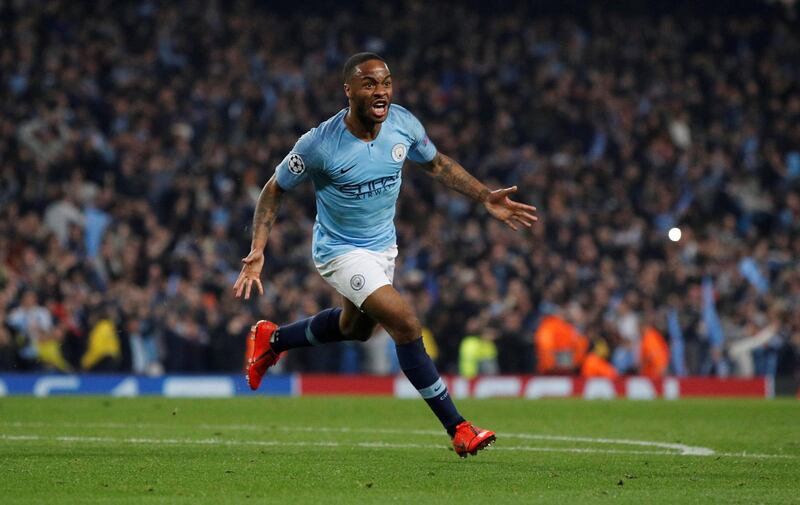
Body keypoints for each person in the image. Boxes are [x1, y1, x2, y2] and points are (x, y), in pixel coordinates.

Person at [232, 52, 537, 458]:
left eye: (386, 82)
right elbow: (274, 189)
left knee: (356, 328)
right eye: (370, 84)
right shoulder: (319, 143)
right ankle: (459, 427)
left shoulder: (403, 124)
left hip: (382, 248)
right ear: (349, 91)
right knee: (407, 325)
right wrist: (257, 250)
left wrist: (484, 196)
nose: (381, 91)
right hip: (339, 251)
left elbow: (438, 164)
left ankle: (274, 339)